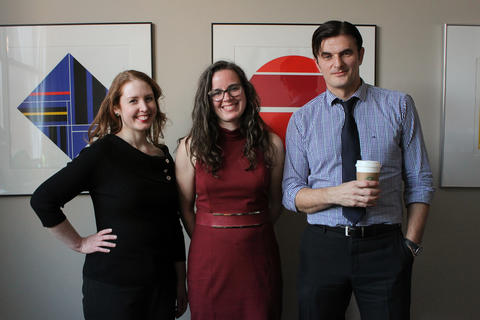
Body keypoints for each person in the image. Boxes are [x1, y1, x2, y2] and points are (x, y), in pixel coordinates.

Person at [282, 21, 434, 320]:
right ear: (318, 62)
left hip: (385, 247)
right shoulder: (303, 119)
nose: (337, 63)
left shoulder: (398, 106)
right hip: (323, 246)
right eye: (327, 56)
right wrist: (336, 194)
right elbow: (290, 195)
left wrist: (411, 246)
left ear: (361, 55)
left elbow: (421, 180)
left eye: (346, 53)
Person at [30, 70, 187, 320]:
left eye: (149, 98)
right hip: (114, 289)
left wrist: (181, 282)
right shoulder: (101, 153)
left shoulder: (164, 156)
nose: (144, 107)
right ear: (116, 108)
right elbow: (43, 200)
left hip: (161, 287)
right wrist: (80, 243)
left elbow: (172, 225)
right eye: (133, 100)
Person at [175, 60, 284, 320]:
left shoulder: (272, 144)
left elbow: (276, 204)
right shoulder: (191, 147)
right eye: (217, 92)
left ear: (245, 91)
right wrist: (209, 235)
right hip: (209, 260)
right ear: (207, 99)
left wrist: (250, 230)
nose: (227, 97)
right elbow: (184, 207)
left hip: (259, 257)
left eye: (234, 88)